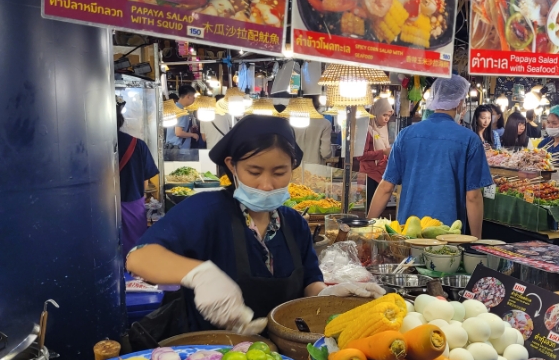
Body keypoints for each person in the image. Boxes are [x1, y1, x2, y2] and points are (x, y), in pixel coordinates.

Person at [127, 116, 383, 334]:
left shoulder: (295, 224)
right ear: (232, 165)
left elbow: (309, 282)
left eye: (279, 172)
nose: (267, 184)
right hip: (208, 359)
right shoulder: (205, 211)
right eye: (254, 171)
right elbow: (139, 258)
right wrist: (200, 275)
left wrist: (328, 295)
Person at [367, 75, 494, 237]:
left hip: (407, 234)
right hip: (447, 235)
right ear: (460, 102)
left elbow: (386, 187)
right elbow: (473, 197)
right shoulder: (470, 140)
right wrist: (476, 241)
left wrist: (367, 227)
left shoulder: (405, 135)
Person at [117, 99, 158, 257]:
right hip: (132, 205)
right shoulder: (137, 145)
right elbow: (145, 183)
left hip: (98, 207)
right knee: (132, 251)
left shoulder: (89, 145)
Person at [356, 98, 394, 209]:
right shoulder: (366, 129)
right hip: (369, 176)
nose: (387, 118)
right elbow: (360, 155)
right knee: (370, 209)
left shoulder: (383, 129)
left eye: (389, 115)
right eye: (384, 115)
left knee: (379, 210)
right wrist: (383, 152)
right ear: (376, 113)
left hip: (382, 174)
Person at [165, 85, 200, 159]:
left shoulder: (174, 108)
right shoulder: (181, 112)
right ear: (188, 96)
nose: (194, 100)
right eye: (193, 97)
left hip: (171, 148)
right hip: (180, 150)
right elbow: (178, 133)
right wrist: (193, 135)